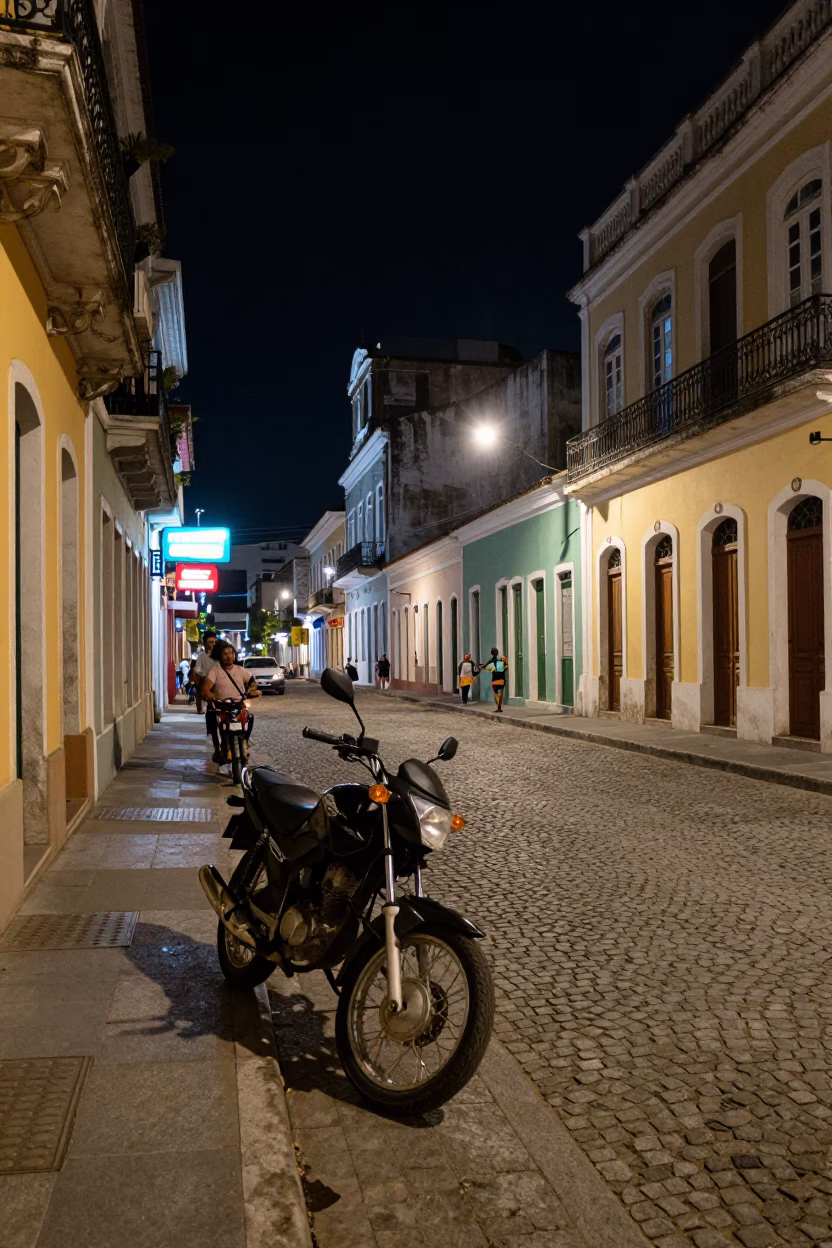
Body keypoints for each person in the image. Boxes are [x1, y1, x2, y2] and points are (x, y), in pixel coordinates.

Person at [200, 639, 261, 762]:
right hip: (221, 707)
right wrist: (210, 695)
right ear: (220, 656)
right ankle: (217, 748)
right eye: (225, 654)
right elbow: (205, 689)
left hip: (238, 705)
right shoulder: (215, 671)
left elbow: (252, 683)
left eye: (231, 653)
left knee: (250, 717)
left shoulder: (240, 670)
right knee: (211, 716)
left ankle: (245, 742)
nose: (229, 656)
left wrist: (252, 690)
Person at [192, 631, 217, 714]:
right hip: (205, 679)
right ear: (205, 643)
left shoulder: (219, 656)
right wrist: (205, 675)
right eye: (210, 642)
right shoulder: (202, 656)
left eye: (214, 642)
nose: (212, 644)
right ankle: (201, 707)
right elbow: (197, 669)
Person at [484, 647, 508, 713]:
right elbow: (506, 668)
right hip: (502, 679)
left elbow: (485, 666)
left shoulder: (491, 660)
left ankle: (498, 707)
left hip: (495, 680)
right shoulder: (501, 660)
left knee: (496, 694)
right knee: (501, 694)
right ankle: (499, 707)